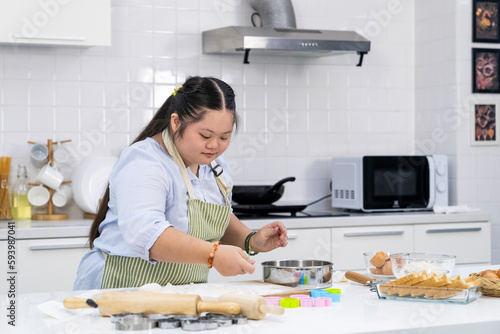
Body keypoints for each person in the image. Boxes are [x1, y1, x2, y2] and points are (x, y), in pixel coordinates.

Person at [74, 76, 288, 290]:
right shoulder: (144, 161)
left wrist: (251, 240)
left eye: (224, 138)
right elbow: (148, 234)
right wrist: (213, 254)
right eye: (205, 135)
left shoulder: (214, 165)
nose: (214, 146)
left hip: (178, 296)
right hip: (120, 289)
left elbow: (216, 218)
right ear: (176, 122)